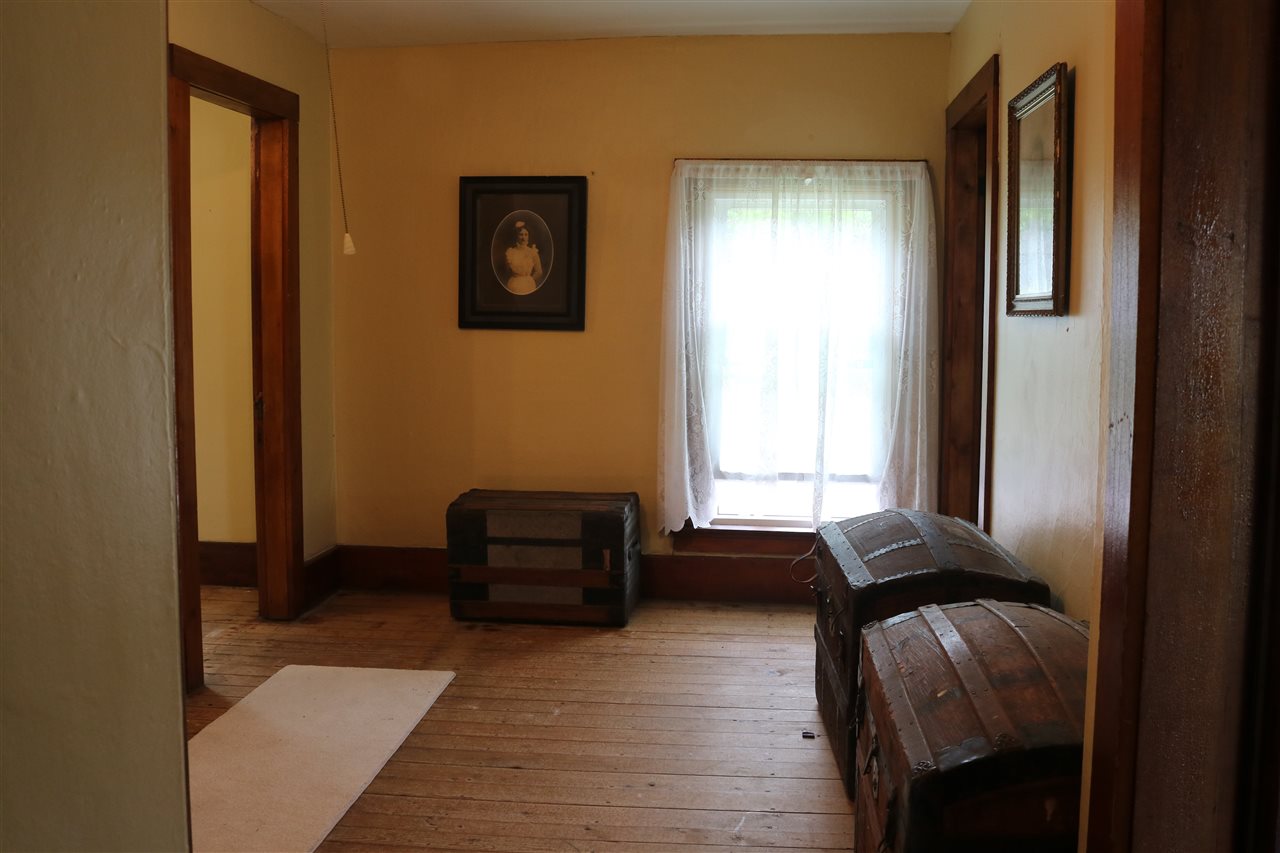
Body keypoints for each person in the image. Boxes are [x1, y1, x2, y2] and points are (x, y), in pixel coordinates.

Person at [503, 221, 543, 295]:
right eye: (521, 234)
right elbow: (507, 271)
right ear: (516, 236)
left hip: (528, 285)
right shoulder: (510, 252)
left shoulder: (532, 252)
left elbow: (539, 272)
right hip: (513, 285)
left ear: (528, 236)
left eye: (526, 234)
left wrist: (528, 280)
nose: (523, 238)